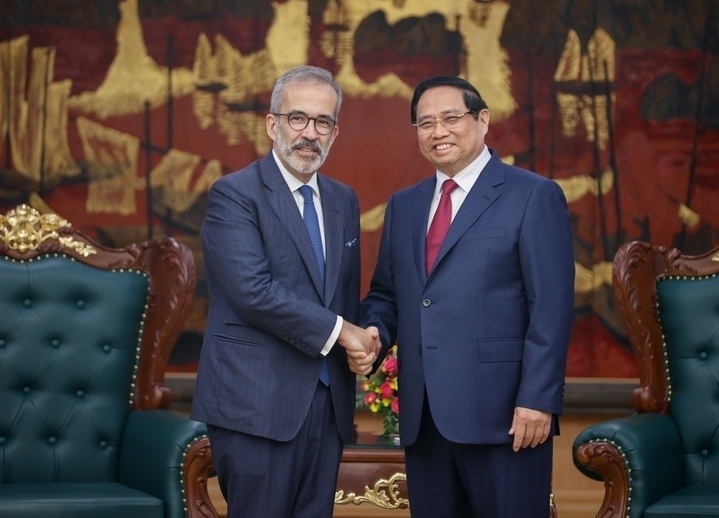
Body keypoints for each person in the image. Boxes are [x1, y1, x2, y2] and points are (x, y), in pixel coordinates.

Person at [358, 76, 575, 518]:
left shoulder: (533, 194)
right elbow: (387, 293)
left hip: (508, 418)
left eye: (450, 118)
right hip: (425, 421)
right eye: (425, 123)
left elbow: (550, 308)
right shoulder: (405, 205)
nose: (438, 132)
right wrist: (374, 332)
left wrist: (538, 399)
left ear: (482, 120)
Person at [191, 65, 378, 518]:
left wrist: (366, 336)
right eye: (298, 118)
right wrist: (344, 332)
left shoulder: (343, 199)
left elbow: (342, 295)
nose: (309, 133)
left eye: (322, 122)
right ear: (272, 124)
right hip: (256, 403)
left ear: (335, 132)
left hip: (328, 404)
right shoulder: (233, 195)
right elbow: (253, 291)